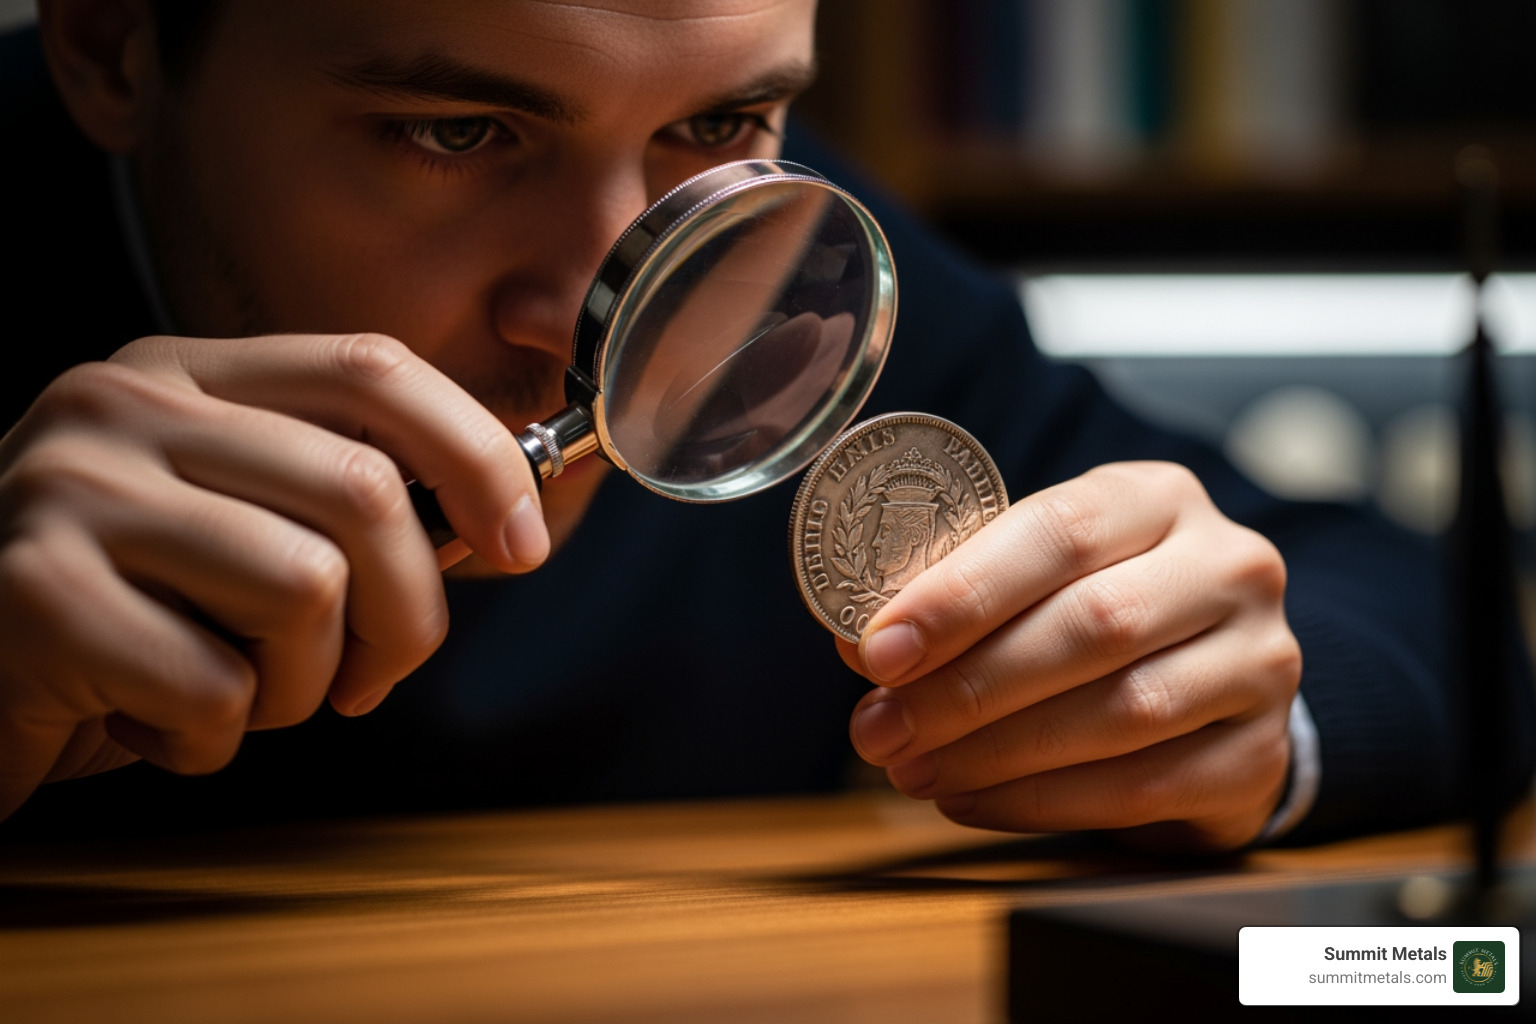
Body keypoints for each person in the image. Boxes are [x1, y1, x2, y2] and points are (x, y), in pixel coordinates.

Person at [0, 0, 1526, 851]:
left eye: (719, 126)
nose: (604, 311)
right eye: (458, 133)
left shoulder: (798, 284)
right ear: (111, 46)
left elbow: (1429, 618)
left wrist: (1237, 711)